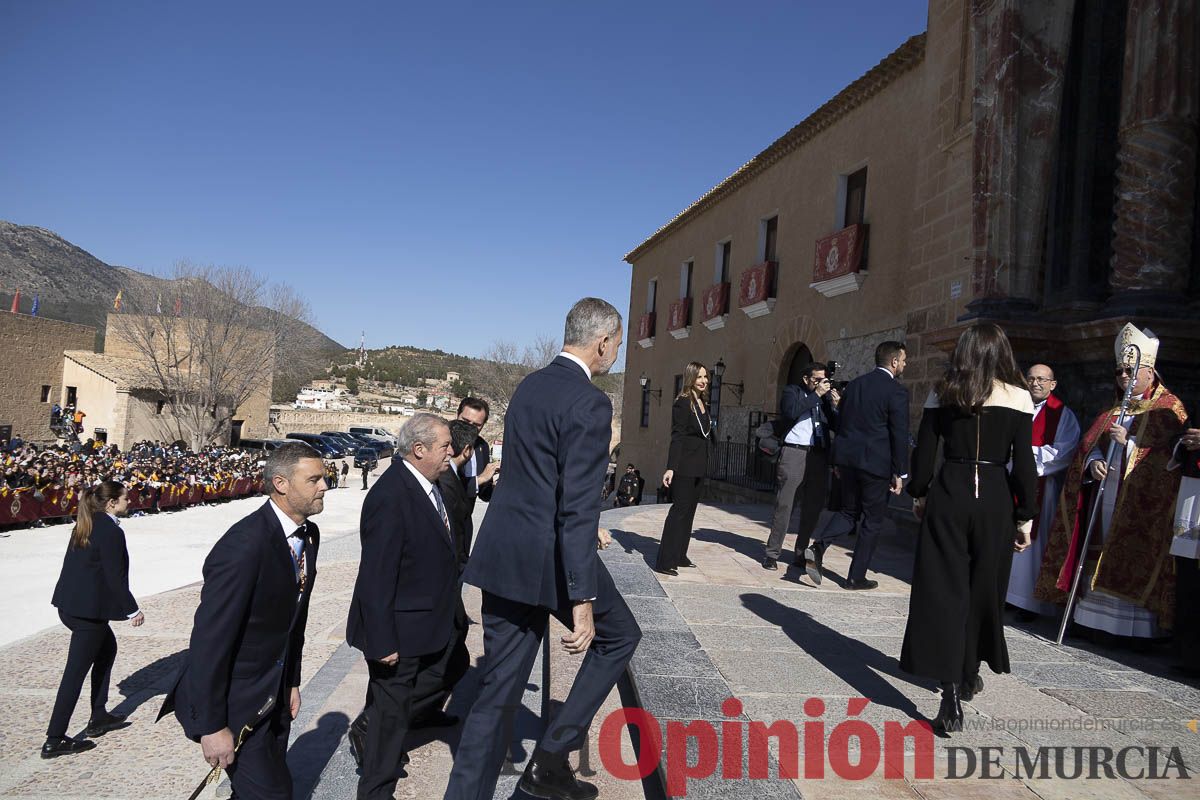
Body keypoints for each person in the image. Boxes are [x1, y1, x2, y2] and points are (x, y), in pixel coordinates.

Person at [445, 298, 641, 800]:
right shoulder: (591, 402)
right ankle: (551, 760)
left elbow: (535, 476)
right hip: (550, 558)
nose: (616, 353)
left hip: (504, 554)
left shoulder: (529, 385)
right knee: (619, 636)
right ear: (603, 342)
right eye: (617, 344)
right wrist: (582, 598)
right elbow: (576, 505)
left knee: (496, 695)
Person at [159, 441, 325, 800]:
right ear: (281, 484)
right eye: (314, 480)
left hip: (274, 694)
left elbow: (293, 622)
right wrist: (211, 725)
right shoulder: (244, 545)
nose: (324, 486)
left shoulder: (308, 535)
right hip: (236, 702)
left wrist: (292, 681)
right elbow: (210, 640)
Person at [899, 323, 1037, 734]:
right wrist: (1025, 516)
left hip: (950, 494)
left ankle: (950, 694)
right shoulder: (1018, 396)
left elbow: (925, 451)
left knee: (945, 592)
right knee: (983, 589)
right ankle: (968, 672)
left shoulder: (943, 391)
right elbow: (1024, 464)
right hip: (995, 498)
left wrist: (919, 493)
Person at [1035, 324, 1187, 645]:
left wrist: (1129, 444)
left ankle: (1130, 632)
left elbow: (1169, 458)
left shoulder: (1169, 408)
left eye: (1130, 370)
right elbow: (1086, 447)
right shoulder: (1113, 410)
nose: (1123, 376)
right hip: (1106, 496)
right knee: (1098, 550)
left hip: (1140, 503)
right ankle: (1092, 622)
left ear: (1149, 372)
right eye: (1119, 371)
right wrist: (1093, 461)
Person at [346, 414, 461, 800]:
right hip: (398, 632)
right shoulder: (392, 495)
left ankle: (374, 736)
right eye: (445, 445)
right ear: (419, 449)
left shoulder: (428, 484)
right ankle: (375, 792)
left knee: (444, 673)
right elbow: (376, 575)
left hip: (426, 624)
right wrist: (382, 641)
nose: (452, 452)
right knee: (389, 721)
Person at [43, 480, 144, 758]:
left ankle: (98, 715)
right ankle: (54, 739)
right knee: (74, 674)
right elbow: (114, 576)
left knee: (107, 649)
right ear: (112, 503)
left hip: (71, 605)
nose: (129, 502)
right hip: (88, 613)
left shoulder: (87, 523)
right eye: (125, 499)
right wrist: (132, 610)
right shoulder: (110, 531)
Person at [804, 341, 910, 590]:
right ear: (894, 361)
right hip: (876, 465)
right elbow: (899, 433)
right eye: (904, 360)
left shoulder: (855, 385)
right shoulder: (896, 391)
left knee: (848, 512)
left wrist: (837, 460)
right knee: (872, 521)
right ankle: (855, 577)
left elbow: (842, 423)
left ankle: (818, 547)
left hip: (848, 460)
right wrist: (901, 472)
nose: (905, 365)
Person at [1004, 364, 1080, 619]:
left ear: (1053, 384)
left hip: (1041, 486)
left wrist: (1024, 456)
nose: (1035, 383)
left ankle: (1028, 602)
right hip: (1009, 480)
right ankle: (1006, 595)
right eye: (1031, 378)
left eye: (1042, 379)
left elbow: (1064, 451)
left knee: (1034, 546)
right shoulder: (1016, 406)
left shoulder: (1063, 414)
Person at [762, 361, 841, 573]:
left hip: (818, 455)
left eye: (824, 380)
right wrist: (816, 395)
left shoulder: (824, 400)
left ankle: (800, 553)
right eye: (817, 379)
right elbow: (790, 412)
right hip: (794, 453)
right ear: (806, 379)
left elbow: (837, 426)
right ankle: (772, 553)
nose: (821, 383)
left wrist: (836, 407)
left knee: (813, 508)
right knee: (785, 505)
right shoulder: (793, 392)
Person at [654, 362, 713, 575]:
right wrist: (671, 467)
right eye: (699, 377)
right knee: (679, 511)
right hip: (684, 465)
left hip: (699, 465)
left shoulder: (702, 402)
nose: (703, 381)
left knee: (690, 512)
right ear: (690, 378)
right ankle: (665, 561)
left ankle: (680, 554)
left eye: (705, 377)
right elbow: (677, 436)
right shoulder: (683, 403)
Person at [1169, 416, 1200, 675]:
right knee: (1188, 573)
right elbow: (1176, 437)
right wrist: (1184, 442)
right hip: (1192, 492)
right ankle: (1188, 654)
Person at [457, 397, 499, 513]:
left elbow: (484, 493)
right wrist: (481, 479)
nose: (469, 427)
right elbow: (446, 485)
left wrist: (496, 484)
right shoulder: (443, 443)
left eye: (476, 425)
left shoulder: (482, 446)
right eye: (465, 421)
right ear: (457, 414)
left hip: (466, 519)